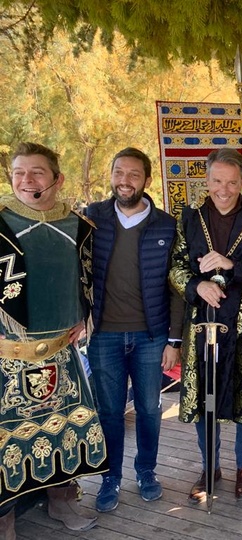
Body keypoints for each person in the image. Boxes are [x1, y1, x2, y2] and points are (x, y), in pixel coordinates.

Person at [0, 142, 106, 537]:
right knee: (7, 443)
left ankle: (62, 502)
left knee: (66, 432)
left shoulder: (79, 227)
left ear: (57, 179)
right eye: (18, 172)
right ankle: (5, 519)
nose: (26, 180)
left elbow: (88, 279)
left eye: (37, 172)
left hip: (62, 355)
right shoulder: (0, 224)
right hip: (7, 356)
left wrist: (84, 315)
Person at [169, 148, 242, 503]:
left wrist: (233, 265)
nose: (224, 190)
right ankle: (210, 466)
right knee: (205, 396)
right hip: (202, 322)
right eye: (217, 181)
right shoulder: (190, 217)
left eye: (232, 182)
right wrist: (196, 285)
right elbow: (176, 268)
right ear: (207, 180)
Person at [86, 147, 184, 513]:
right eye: (118, 172)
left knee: (149, 408)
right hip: (103, 335)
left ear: (146, 180)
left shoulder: (166, 225)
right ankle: (109, 478)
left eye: (133, 174)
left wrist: (174, 339)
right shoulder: (92, 218)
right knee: (109, 412)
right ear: (111, 175)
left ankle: (146, 472)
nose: (124, 181)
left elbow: (177, 287)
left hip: (150, 336)